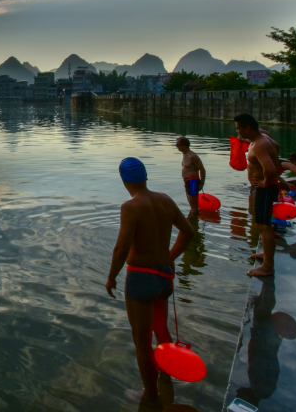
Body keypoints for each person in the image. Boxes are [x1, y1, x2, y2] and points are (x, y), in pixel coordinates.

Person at [106, 157, 195, 407]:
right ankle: (166, 374)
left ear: (124, 180)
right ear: (145, 177)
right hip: (164, 277)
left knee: (141, 342)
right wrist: (170, 257)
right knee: (161, 329)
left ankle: (151, 395)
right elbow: (188, 232)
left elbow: (122, 248)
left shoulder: (131, 206)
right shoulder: (165, 199)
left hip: (141, 280)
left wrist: (111, 277)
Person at [235, 113, 281, 277]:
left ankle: (268, 266)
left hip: (265, 189)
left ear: (248, 128)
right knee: (262, 224)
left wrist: (265, 182)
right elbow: (277, 147)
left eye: (239, 128)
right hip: (268, 188)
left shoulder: (259, 145)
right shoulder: (263, 139)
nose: (238, 132)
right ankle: (266, 255)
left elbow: (270, 169)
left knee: (263, 226)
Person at [176, 137, 206, 217]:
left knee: (194, 206)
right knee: (191, 204)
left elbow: (202, 170)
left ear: (184, 145)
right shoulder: (185, 155)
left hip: (193, 182)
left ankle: (193, 224)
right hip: (187, 181)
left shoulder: (192, 156)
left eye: (177, 144)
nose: (176, 146)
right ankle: (192, 220)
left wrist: (202, 183)